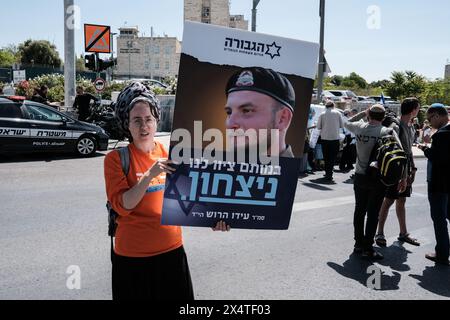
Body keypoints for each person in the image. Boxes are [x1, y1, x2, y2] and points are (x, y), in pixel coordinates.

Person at [104, 82, 229, 301]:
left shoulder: (170, 152)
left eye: (149, 119)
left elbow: (191, 199)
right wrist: (149, 176)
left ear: (156, 121)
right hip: (133, 261)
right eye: (137, 120)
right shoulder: (115, 159)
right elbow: (123, 206)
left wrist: (213, 219)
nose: (144, 126)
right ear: (127, 125)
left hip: (172, 254)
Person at [344, 105, 393, 260]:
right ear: (383, 117)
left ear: (369, 114)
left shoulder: (359, 127)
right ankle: (367, 247)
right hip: (378, 178)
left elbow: (345, 122)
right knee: (373, 213)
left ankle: (358, 244)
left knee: (359, 210)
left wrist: (361, 114)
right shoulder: (387, 132)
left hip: (360, 176)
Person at [375, 98, 421, 247]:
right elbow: (398, 152)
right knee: (389, 200)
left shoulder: (411, 126)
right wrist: (402, 176)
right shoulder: (397, 126)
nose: (418, 111)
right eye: (418, 108)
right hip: (396, 169)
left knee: (402, 200)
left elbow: (408, 151)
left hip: (406, 168)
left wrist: (412, 168)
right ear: (413, 110)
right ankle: (380, 232)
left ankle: (403, 233)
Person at [225, 67, 296, 158]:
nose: (230, 124)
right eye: (229, 112)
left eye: (246, 110)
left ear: (282, 119)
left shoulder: (292, 172)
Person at [418, 104, 450, 265]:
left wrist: (424, 148)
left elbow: (437, 158)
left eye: (430, 120)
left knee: (439, 219)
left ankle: (442, 254)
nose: (430, 124)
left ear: (437, 116)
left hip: (439, 183)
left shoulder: (442, 134)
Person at [317, 101, 344, 181]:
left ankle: (327, 173)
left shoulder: (322, 114)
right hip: (335, 138)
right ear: (333, 106)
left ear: (326, 106)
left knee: (326, 157)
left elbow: (318, 127)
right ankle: (329, 173)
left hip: (325, 138)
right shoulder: (338, 113)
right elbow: (341, 125)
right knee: (332, 157)